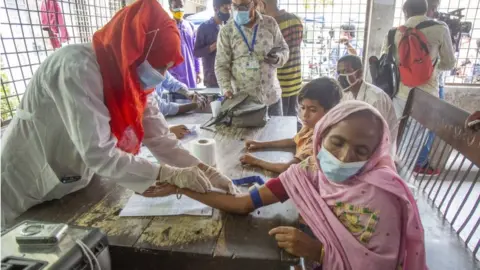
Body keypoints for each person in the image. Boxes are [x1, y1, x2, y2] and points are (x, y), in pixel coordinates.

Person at [0, 0, 236, 227]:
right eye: (158, 66)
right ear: (134, 52)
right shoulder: (75, 68)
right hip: (26, 181)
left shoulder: (133, 81)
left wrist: (206, 171)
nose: (162, 75)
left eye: (166, 67)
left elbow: (161, 139)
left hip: (71, 183)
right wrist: (167, 173)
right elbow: (99, 152)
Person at [154, 101, 428, 269]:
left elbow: (383, 265)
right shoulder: (308, 171)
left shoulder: (383, 198)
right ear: (321, 136)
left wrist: (318, 252)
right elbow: (242, 204)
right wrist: (182, 188)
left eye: (361, 150)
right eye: (337, 142)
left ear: (376, 153)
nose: (345, 157)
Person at [382, 0, 455, 175]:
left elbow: (386, 62)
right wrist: (430, 67)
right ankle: (403, 176)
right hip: (427, 95)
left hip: (400, 93)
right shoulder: (440, 29)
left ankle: (390, 171)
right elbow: (449, 63)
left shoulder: (393, 33)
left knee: (395, 134)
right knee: (415, 140)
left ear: (405, 11)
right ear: (427, 9)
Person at [239, 77, 342, 173]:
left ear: (330, 111)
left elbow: (287, 168)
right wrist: (261, 144)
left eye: (312, 110)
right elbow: (294, 141)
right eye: (302, 108)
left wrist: (256, 161)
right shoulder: (312, 126)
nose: (305, 115)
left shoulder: (320, 140)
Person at [215, 0, 290, 116]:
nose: (239, 10)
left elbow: (284, 49)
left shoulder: (270, 23)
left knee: (276, 134)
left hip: (271, 98)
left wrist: (277, 58)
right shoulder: (227, 31)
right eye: (235, 5)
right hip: (243, 102)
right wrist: (226, 89)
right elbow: (221, 65)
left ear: (254, 4)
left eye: (244, 6)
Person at [337, 55, 398, 156]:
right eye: (339, 73)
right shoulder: (347, 94)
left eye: (345, 72)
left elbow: (377, 136)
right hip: (360, 140)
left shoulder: (374, 98)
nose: (341, 77)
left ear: (359, 73)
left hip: (378, 150)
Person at [258, 0, 303, 117]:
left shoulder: (271, 25)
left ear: (263, 4)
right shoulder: (296, 19)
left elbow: (267, 53)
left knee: (279, 126)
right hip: (296, 78)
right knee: (293, 119)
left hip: (280, 82)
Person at [154, 71, 206, 139]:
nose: (164, 70)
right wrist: (192, 106)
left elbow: (170, 81)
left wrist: (187, 93)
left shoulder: (158, 67)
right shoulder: (139, 78)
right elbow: (161, 107)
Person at [194, 0, 232, 88]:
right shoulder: (204, 27)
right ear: (216, 8)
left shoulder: (231, 26)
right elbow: (196, 52)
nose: (229, 12)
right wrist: (213, 46)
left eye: (230, 8)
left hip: (230, 78)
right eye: (226, 8)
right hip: (212, 79)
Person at [169, 0, 201, 88]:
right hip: (175, 75)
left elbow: (195, 50)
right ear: (170, 9)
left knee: (192, 99)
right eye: (175, 6)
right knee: (177, 99)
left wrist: (197, 70)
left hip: (191, 73)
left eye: (181, 6)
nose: (179, 9)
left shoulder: (190, 26)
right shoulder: (167, 28)